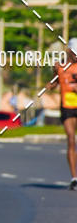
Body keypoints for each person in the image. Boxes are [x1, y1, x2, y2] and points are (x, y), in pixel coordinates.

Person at [46, 38, 77, 190]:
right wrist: (50, 86)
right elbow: (54, 82)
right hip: (67, 107)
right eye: (74, 53)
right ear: (69, 51)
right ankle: (74, 178)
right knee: (71, 139)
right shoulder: (59, 66)